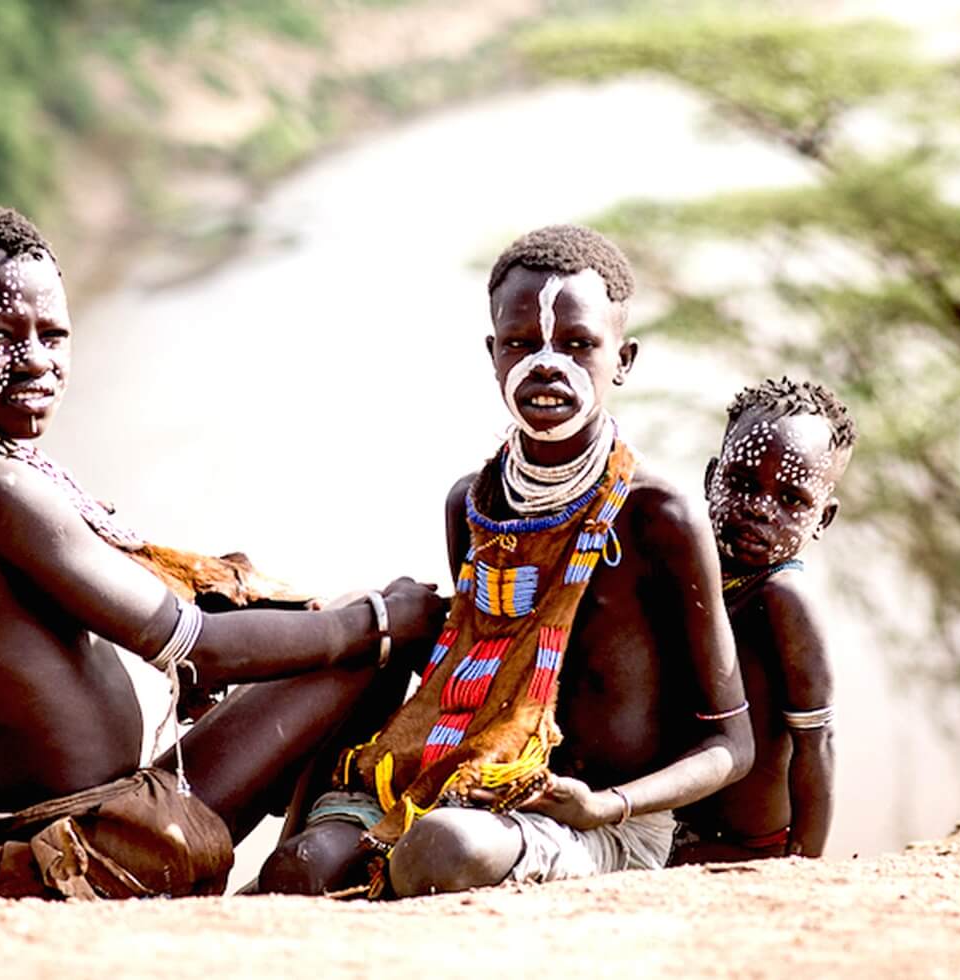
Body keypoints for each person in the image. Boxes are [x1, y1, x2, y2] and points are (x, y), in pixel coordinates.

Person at [0, 205, 446, 900]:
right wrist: (379, 619)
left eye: (53, 334)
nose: (36, 359)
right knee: (368, 635)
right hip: (89, 848)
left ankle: (303, 867)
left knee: (335, 626)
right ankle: (307, 876)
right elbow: (199, 648)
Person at [258, 224, 753, 897]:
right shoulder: (472, 505)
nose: (547, 364)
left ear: (625, 359)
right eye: (522, 343)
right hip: (455, 778)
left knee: (442, 848)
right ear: (493, 355)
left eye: (579, 344)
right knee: (301, 867)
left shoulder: (657, 517)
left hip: (595, 821)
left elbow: (732, 744)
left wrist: (607, 806)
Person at [671, 377, 855, 862]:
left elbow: (816, 744)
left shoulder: (784, 600)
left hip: (750, 850)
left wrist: (803, 865)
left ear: (823, 518)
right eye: (743, 484)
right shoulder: (687, 573)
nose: (759, 510)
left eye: (793, 500)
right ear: (712, 477)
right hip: (676, 838)